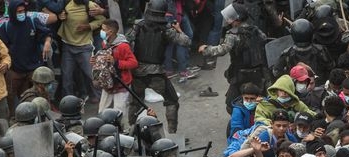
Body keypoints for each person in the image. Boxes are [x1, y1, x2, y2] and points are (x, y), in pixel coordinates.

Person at [129, 0, 188, 132]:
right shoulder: (166, 30)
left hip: (137, 71)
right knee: (172, 101)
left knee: (136, 102)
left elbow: (126, 42)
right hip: (157, 73)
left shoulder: (137, 26)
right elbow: (185, 41)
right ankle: (172, 133)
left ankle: (132, 131)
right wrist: (179, 30)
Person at [198, 3, 269, 112]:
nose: (228, 20)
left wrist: (206, 49)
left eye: (231, 17)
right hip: (257, 73)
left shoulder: (232, 34)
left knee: (230, 104)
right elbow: (265, 41)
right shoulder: (255, 30)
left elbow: (222, 50)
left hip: (240, 74)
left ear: (237, 19)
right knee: (261, 101)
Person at [58, 0, 105, 103]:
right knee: (67, 76)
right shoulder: (66, 4)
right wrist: (60, 16)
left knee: (91, 74)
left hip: (85, 46)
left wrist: (88, 26)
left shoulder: (90, 5)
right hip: (68, 45)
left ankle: (100, 99)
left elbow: (102, 20)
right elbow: (58, 14)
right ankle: (68, 102)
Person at [93, 19, 137, 132]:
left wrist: (116, 62)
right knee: (102, 111)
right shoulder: (105, 43)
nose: (101, 32)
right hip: (108, 84)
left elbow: (133, 63)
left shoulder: (123, 46)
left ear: (111, 31)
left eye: (103, 29)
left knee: (119, 113)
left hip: (121, 84)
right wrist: (96, 61)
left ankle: (122, 133)